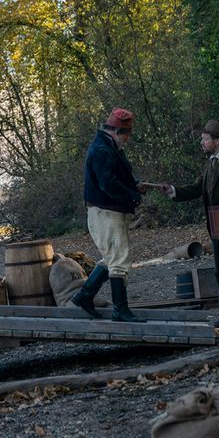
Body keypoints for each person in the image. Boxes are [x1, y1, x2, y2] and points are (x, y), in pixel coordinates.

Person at [155, 120, 219, 328]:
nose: (201, 142)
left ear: (217, 141)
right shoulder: (211, 162)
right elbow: (196, 188)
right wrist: (173, 190)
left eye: (205, 139)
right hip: (216, 227)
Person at [71, 108, 151, 322]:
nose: (127, 139)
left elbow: (115, 178)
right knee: (120, 260)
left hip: (107, 210)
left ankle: (85, 295)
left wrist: (134, 186)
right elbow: (108, 184)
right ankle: (120, 310)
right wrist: (133, 196)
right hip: (106, 211)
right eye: (126, 135)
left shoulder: (107, 147)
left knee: (112, 258)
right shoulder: (102, 150)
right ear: (115, 131)